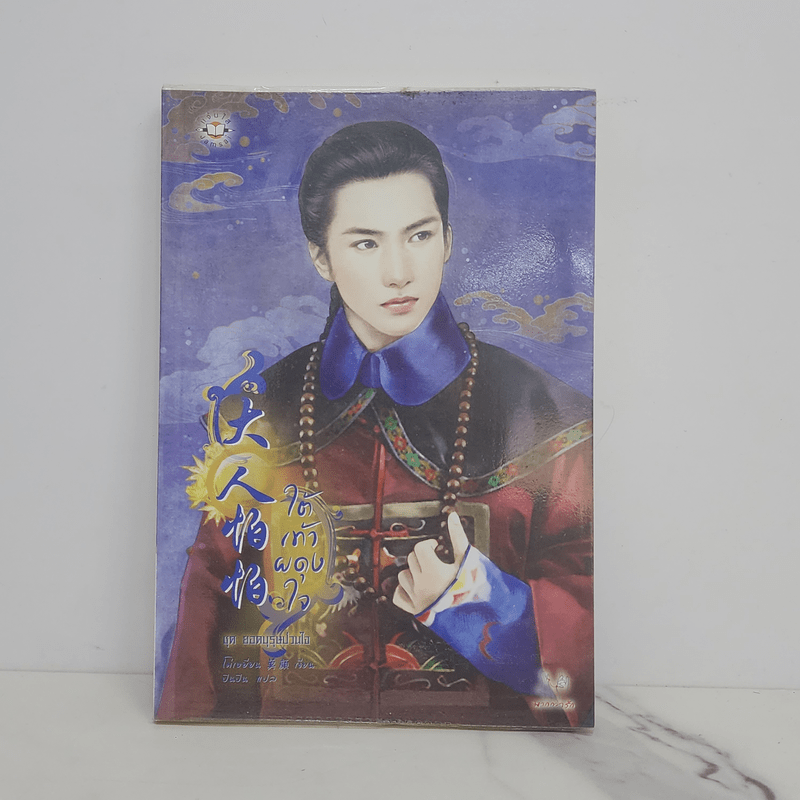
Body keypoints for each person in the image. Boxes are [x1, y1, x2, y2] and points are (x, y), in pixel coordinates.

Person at [157, 121, 593, 727]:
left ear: (447, 240)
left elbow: (585, 655)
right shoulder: (258, 416)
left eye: (419, 235)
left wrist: (475, 599)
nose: (398, 272)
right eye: (365, 243)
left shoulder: (547, 417)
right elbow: (207, 620)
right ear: (321, 257)